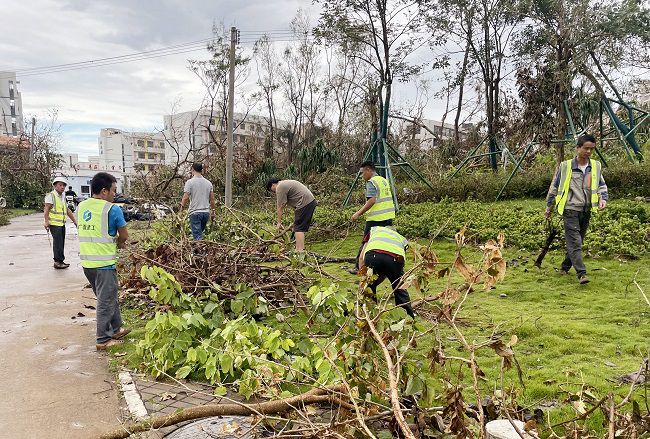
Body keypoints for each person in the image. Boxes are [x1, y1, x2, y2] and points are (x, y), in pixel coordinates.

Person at [545, 134, 608, 284]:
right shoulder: (566, 166)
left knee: (577, 241)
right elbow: (554, 187)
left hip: (587, 210)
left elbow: (601, 185)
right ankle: (581, 273)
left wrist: (603, 198)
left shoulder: (595, 166)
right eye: (586, 148)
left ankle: (564, 267)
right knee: (575, 242)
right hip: (570, 209)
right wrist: (549, 207)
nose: (588, 152)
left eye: (591, 149)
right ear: (578, 148)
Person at [77, 172, 130, 350]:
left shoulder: (82, 207)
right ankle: (103, 340)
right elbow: (124, 235)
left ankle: (116, 328)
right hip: (104, 264)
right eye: (114, 190)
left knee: (108, 296)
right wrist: (120, 244)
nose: (115, 194)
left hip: (87, 264)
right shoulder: (112, 209)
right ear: (104, 191)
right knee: (105, 301)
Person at [359, 226, 415, 318]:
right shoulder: (401, 238)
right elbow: (397, 264)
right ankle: (407, 317)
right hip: (395, 258)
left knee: (369, 286)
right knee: (399, 287)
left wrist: (363, 278)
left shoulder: (374, 230)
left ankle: (369, 315)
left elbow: (361, 257)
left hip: (372, 255)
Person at [350, 161, 396, 270]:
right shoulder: (383, 180)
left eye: (362, 173)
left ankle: (359, 268)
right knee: (384, 243)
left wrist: (358, 213)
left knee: (366, 243)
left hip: (375, 220)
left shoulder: (372, 182)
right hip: (388, 218)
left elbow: (372, 200)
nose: (362, 176)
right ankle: (385, 266)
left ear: (368, 170)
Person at [266, 178, 317, 252]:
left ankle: (300, 251)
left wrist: (279, 222)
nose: (273, 192)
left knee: (299, 228)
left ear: (273, 185)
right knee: (298, 227)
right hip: (308, 202)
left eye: (271, 189)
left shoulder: (280, 187)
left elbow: (280, 206)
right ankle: (298, 249)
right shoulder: (285, 183)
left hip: (305, 202)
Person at [44, 176, 77, 269]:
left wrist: (74, 221)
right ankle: (57, 261)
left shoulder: (63, 196)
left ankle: (61, 260)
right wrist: (46, 222)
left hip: (61, 223)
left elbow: (67, 210)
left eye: (64, 185)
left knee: (61, 242)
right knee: (57, 242)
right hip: (54, 224)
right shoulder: (51, 196)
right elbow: (46, 209)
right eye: (60, 185)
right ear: (55, 186)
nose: (62, 187)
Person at [180, 163, 215, 240]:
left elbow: (185, 197)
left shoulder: (190, 182)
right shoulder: (208, 183)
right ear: (201, 170)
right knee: (199, 234)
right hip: (206, 213)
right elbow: (212, 199)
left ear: (193, 170)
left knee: (197, 237)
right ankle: (200, 250)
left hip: (195, 213)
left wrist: (181, 210)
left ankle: (201, 251)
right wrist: (213, 212)